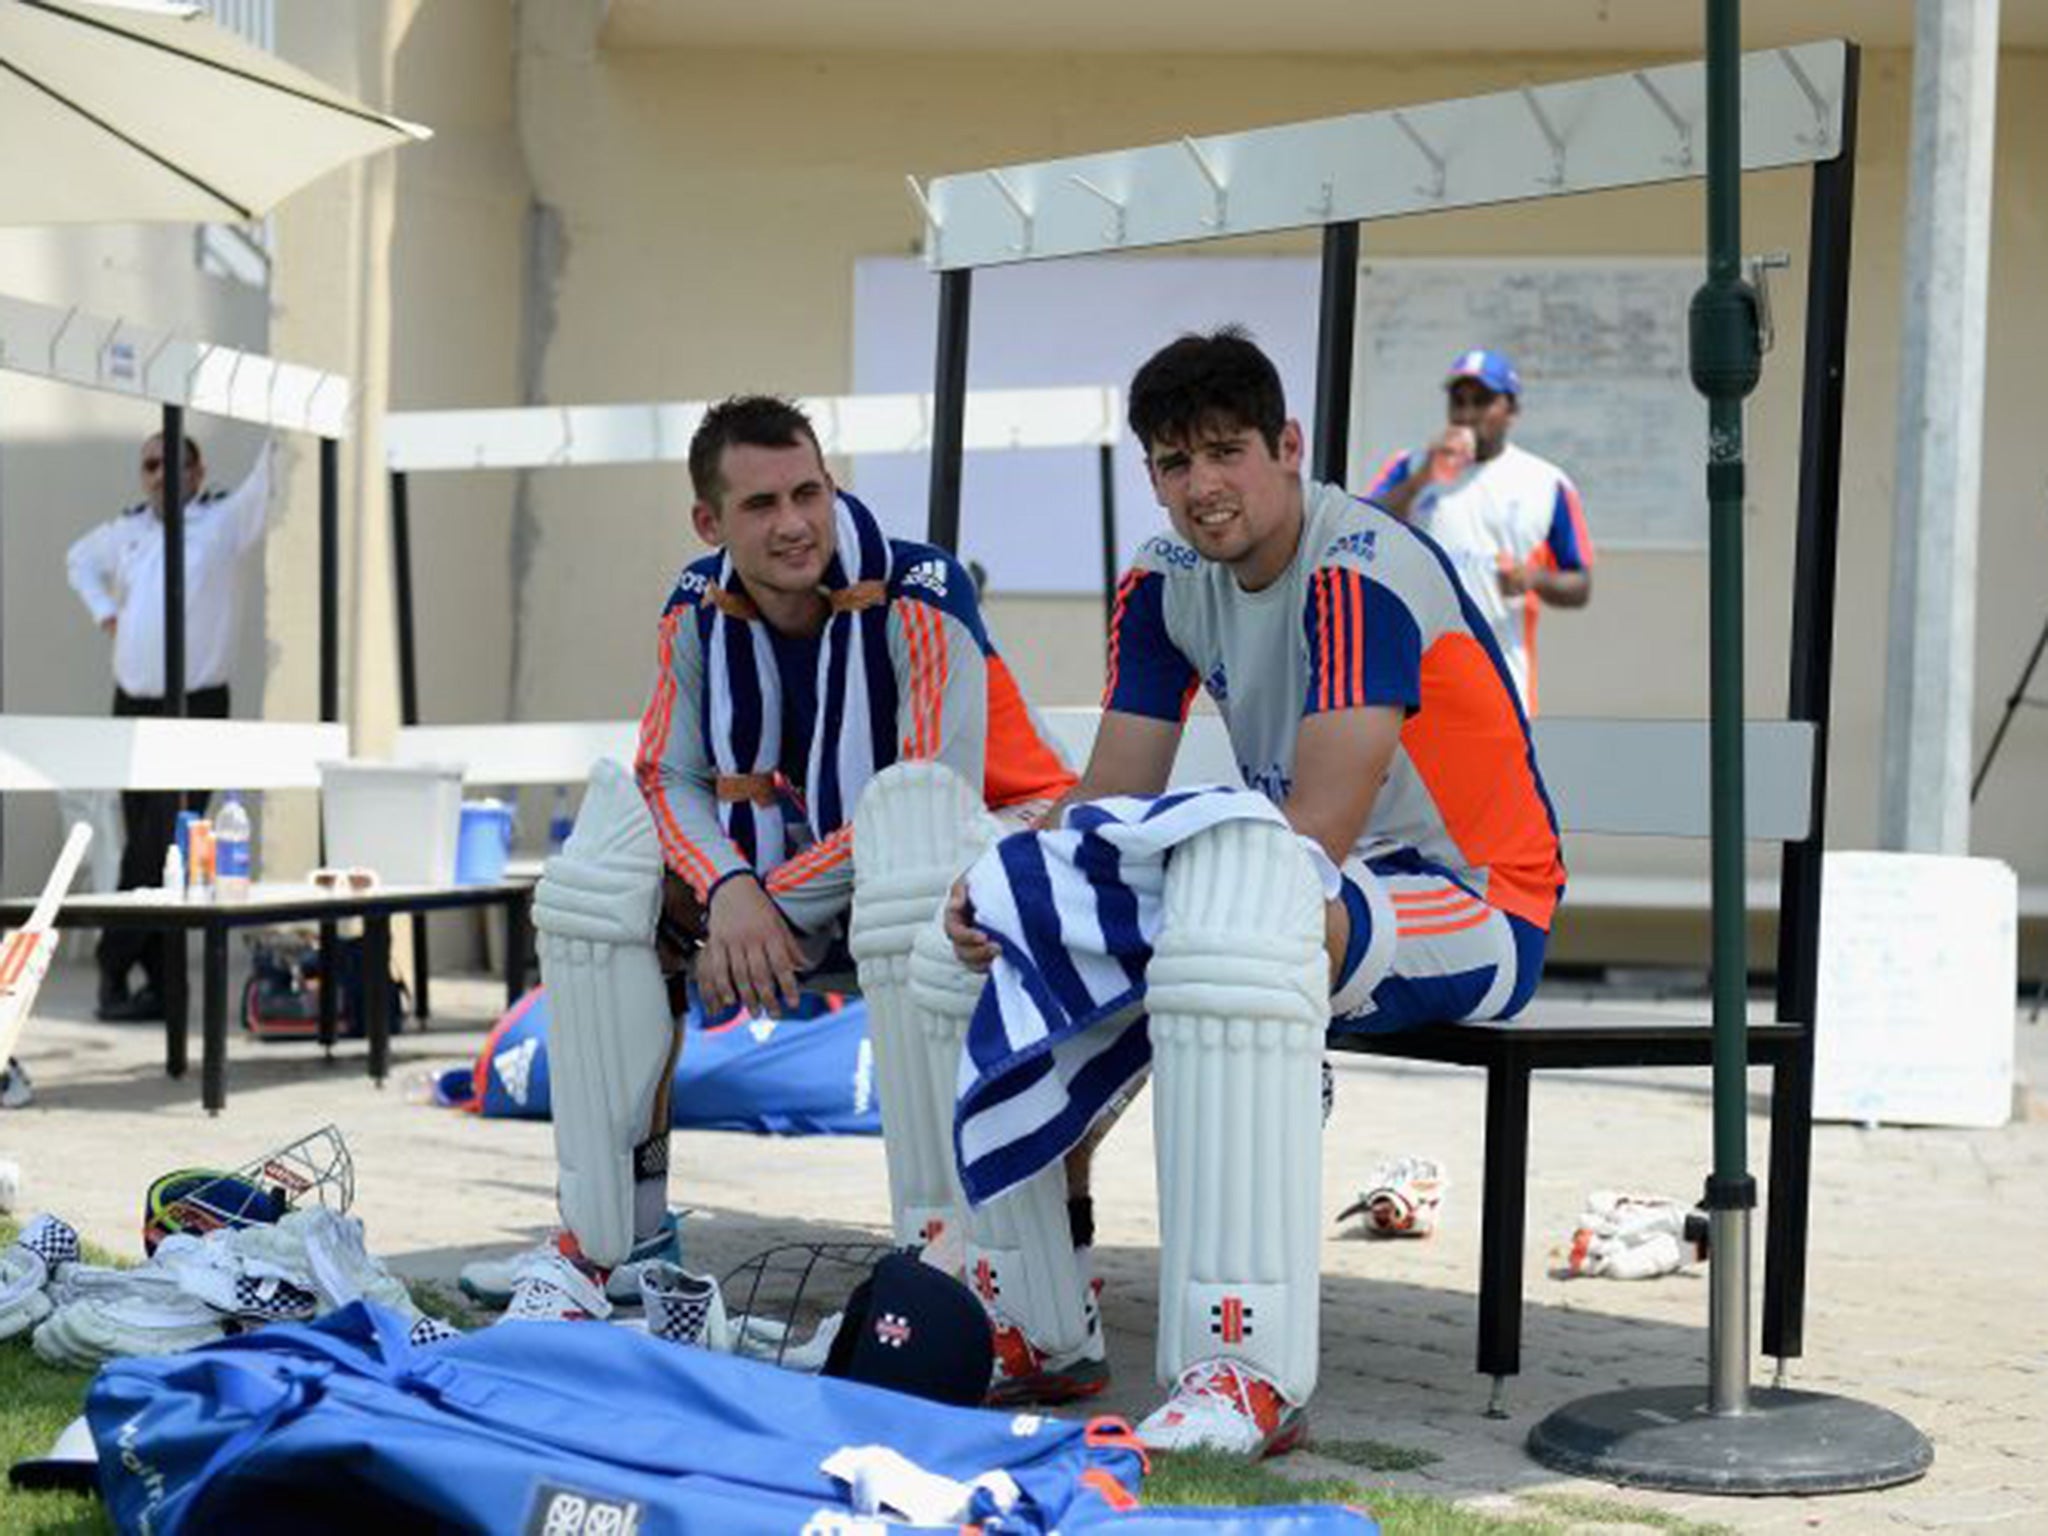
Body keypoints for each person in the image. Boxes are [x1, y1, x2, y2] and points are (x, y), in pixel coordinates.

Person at [935, 328, 1566, 1454]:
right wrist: (1013, 884)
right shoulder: (1164, 574)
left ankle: (1248, 1367)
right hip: (1302, 885)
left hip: (1472, 898)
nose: (1201, 489)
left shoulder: (1354, 570)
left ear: (1287, 446)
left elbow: (1314, 835)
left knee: (1242, 939)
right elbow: (1113, 789)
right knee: (1017, 925)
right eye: (1174, 465)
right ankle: (1035, 1315)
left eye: (1226, 453)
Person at [484, 395, 1077, 1322]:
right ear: (710, 522)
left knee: (908, 874)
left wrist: (760, 901)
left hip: (998, 840)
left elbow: (929, 796)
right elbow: (665, 775)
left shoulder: (923, 588)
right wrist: (726, 891)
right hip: (809, 867)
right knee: (604, 885)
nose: (795, 524)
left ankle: (944, 1259)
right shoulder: (692, 602)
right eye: (761, 505)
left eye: (810, 492)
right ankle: (611, 1240)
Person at [64, 432, 271, 1022]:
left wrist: (278, 434)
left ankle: (114, 962)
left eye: (172, 464)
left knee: (168, 841)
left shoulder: (222, 521)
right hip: (134, 705)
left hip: (197, 701)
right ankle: (156, 982)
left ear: (198, 468)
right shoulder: (130, 530)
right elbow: (78, 560)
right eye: (150, 465)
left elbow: (265, 483)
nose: (159, 475)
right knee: (144, 843)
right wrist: (106, 612)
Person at [1364, 349, 1593, 713]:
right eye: (1459, 401)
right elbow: (1364, 528)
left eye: (1482, 401)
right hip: (1415, 681)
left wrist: (1532, 578)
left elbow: (1580, 585)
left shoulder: (1546, 482)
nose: (1467, 415)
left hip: (1499, 686)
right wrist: (1423, 478)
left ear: (1511, 409)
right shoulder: (1411, 466)